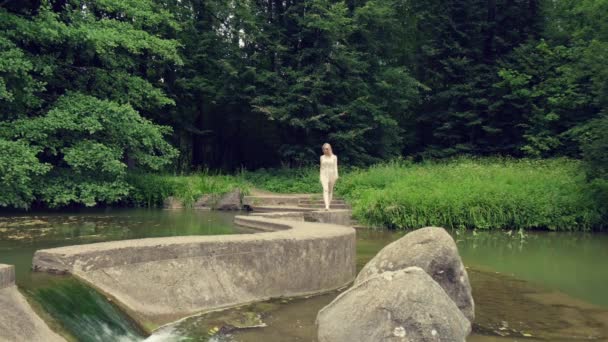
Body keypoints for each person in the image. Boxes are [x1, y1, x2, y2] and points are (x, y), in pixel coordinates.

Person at [320, 143, 339, 211]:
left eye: (327, 149)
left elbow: (335, 167)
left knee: (330, 190)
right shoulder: (322, 157)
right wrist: (320, 176)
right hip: (324, 174)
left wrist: (336, 175)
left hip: (332, 174)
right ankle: (326, 206)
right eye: (324, 149)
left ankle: (329, 204)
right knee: (325, 189)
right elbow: (321, 167)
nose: (325, 150)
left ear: (330, 149)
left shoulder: (334, 157)